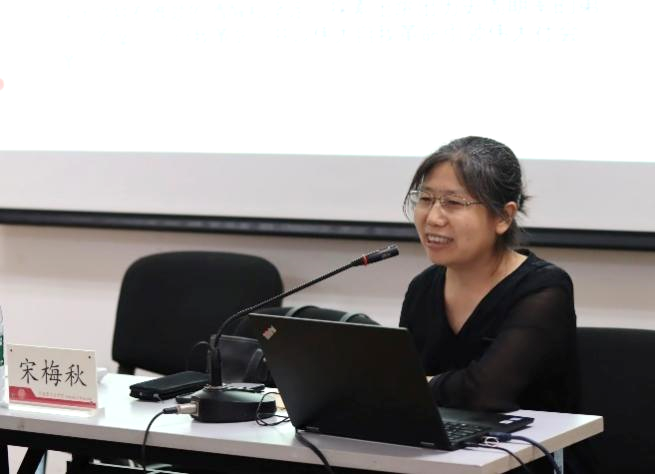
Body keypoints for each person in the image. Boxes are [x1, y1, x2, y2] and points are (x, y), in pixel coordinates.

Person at [400, 136, 584, 472]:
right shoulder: (422, 288)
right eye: (425, 199)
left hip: (527, 462)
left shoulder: (544, 289)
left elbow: (486, 393)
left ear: (503, 217)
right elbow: (405, 393)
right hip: (441, 458)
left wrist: (419, 385)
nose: (433, 217)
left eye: (453, 203)